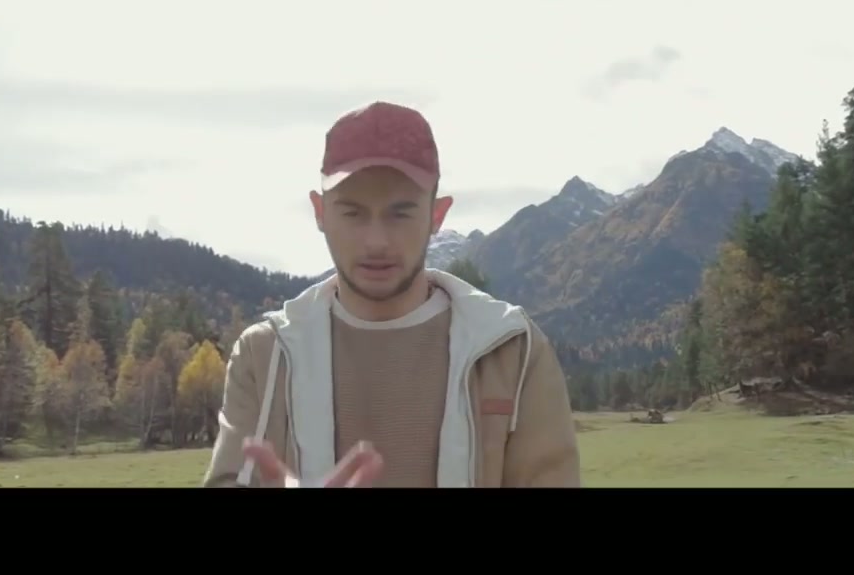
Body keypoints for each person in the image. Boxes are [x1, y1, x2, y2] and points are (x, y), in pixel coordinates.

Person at [202, 101, 581, 488]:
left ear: (437, 215)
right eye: (353, 213)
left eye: (400, 213)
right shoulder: (265, 356)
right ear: (320, 212)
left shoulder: (511, 350)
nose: (376, 241)